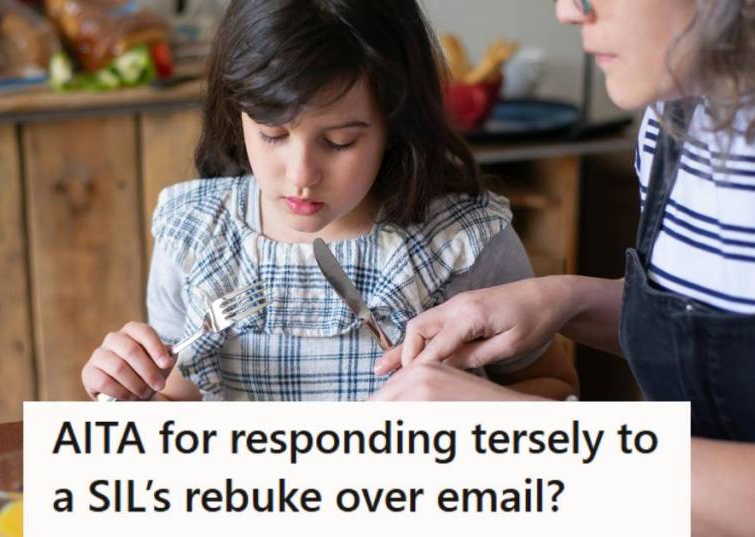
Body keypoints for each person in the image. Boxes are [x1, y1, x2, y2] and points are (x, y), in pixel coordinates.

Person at [372, 0, 755, 534]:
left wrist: (518, 433)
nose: (569, 10)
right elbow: (720, 332)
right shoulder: (675, 124)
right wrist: (564, 300)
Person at [80, 0, 578, 402]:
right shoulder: (193, 232)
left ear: (395, 125)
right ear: (237, 117)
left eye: (340, 142)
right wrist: (129, 392)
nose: (301, 176)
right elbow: (179, 401)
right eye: (272, 134)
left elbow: (557, 390)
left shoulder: (464, 242)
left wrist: (467, 410)